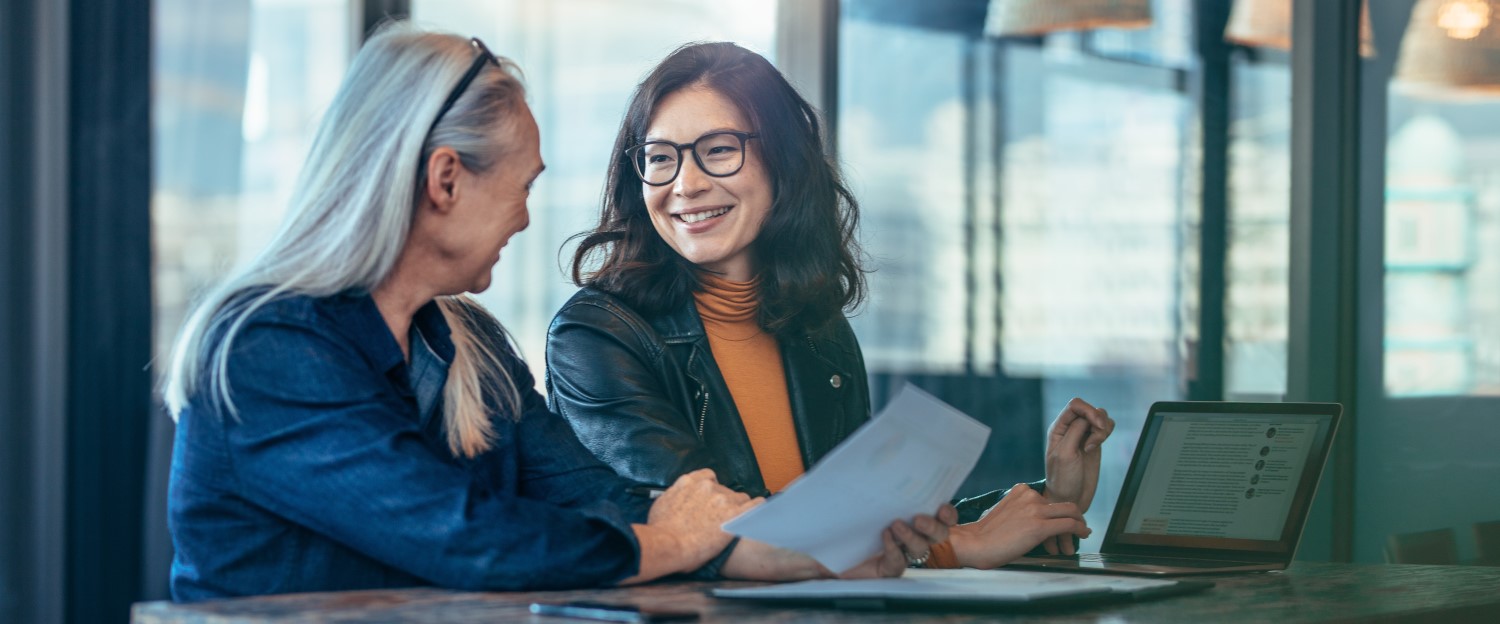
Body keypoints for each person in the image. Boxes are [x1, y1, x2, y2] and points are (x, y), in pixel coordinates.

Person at [161, 25, 931, 601]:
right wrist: (677, 538)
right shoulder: (266, 348)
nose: (527, 220)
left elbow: (594, 492)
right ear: (445, 179)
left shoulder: (473, 345)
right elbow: (468, 539)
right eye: (522, 188)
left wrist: (763, 548)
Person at [547, 42, 1115, 572]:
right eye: (660, 157)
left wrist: (1049, 501)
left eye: (718, 151)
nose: (685, 183)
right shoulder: (596, 335)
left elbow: (875, 521)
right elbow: (707, 525)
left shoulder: (818, 330)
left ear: (783, 163)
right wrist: (958, 546)